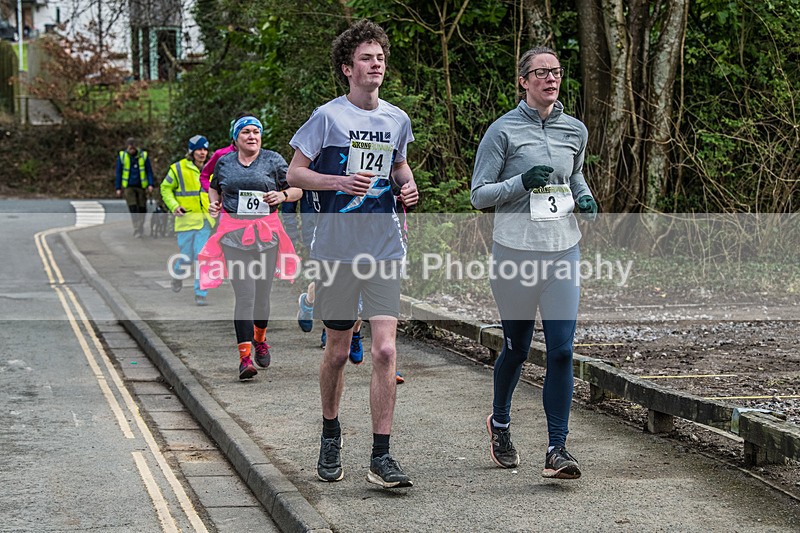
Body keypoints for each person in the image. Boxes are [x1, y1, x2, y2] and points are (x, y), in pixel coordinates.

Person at [287, 19, 418, 488]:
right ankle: (330, 432)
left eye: (380, 57)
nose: (376, 63)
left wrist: (408, 186)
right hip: (337, 250)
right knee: (339, 352)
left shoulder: (396, 119)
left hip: (384, 247)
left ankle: (381, 456)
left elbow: (400, 167)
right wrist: (338, 182)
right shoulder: (327, 118)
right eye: (366, 57)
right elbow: (294, 174)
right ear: (347, 68)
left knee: (385, 349)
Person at [470, 46, 597, 480]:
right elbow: (479, 194)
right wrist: (521, 182)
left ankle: (557, 448)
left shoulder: (575, 130)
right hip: (515, 252)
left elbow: (574, 174)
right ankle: (500, 423)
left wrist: (584, 196)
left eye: (556, 71)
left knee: (562, 351)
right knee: (518, 348)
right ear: (523, 81)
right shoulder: (502, 131)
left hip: (563, 250)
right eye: (540, 72)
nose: (550, 78)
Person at [201, 115, 302, 380]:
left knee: (262, 295)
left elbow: (297, 189)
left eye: (256, 131)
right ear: (235, 138)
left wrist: (282, 195)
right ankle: (245, 358)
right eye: (245, 132)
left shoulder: (273, 160)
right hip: (234, 236)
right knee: (245, 295)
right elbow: (214, 188)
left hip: (266, 236)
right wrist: (214, 203)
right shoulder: (224, 162)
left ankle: (260, 339)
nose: (252, 136)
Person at [160, 134, 214, 305]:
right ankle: (177, 275)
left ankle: (201, 293)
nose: (202, 153)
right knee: (186, 258)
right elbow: (165, 188)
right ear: (191, 152)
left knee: (202, 256)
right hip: (185, 220)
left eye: (205, 149)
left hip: (205, 221)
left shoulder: (212, 169)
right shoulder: (177, 168)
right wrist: (174, 206)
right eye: (199, 149)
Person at [115, 137, 154, 237]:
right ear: (127, 147)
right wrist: (118, 187)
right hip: (128, 186)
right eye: (130, 148)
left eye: (133, 148)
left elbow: (149, 171)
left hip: (141, 186)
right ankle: (137, 228)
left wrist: (150, 184)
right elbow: (118, 173)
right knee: (133, 208)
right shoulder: (122, 156)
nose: (131, 150)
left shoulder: (143, 156)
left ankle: (140, 225)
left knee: (142, 208)